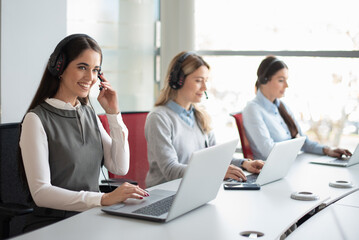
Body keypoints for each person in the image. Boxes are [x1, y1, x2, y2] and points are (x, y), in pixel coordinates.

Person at [19, 34, 148, 231]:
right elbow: (41, 193)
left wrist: (114, 114)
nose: (90, 78)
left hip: (92, 217)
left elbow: (120, 167)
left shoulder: (89, 113)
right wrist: (103, 199)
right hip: (54, 224)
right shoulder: (35, 120)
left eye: (95, 70)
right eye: (82, 67)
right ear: (59, 68)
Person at [145, 51, 264, 188]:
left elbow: (216, 156)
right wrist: (216, 172)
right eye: (198, 80)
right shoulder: (159, 118)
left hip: (196, 188)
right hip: (166, 193)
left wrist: (245, 163)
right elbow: (171, 170)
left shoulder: (200, 116)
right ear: (178, 80)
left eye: (205, 81)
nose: (205, 87)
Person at [242, 55, 352, 160]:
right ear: (264, 80)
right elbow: (268, 151)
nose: (286, 85)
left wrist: (327, 150)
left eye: (286, 80)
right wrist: (297, 147)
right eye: (281, 80)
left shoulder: (282, 106)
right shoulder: (253, 109)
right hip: (272, 171)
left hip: (291, 164)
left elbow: (303, 142)